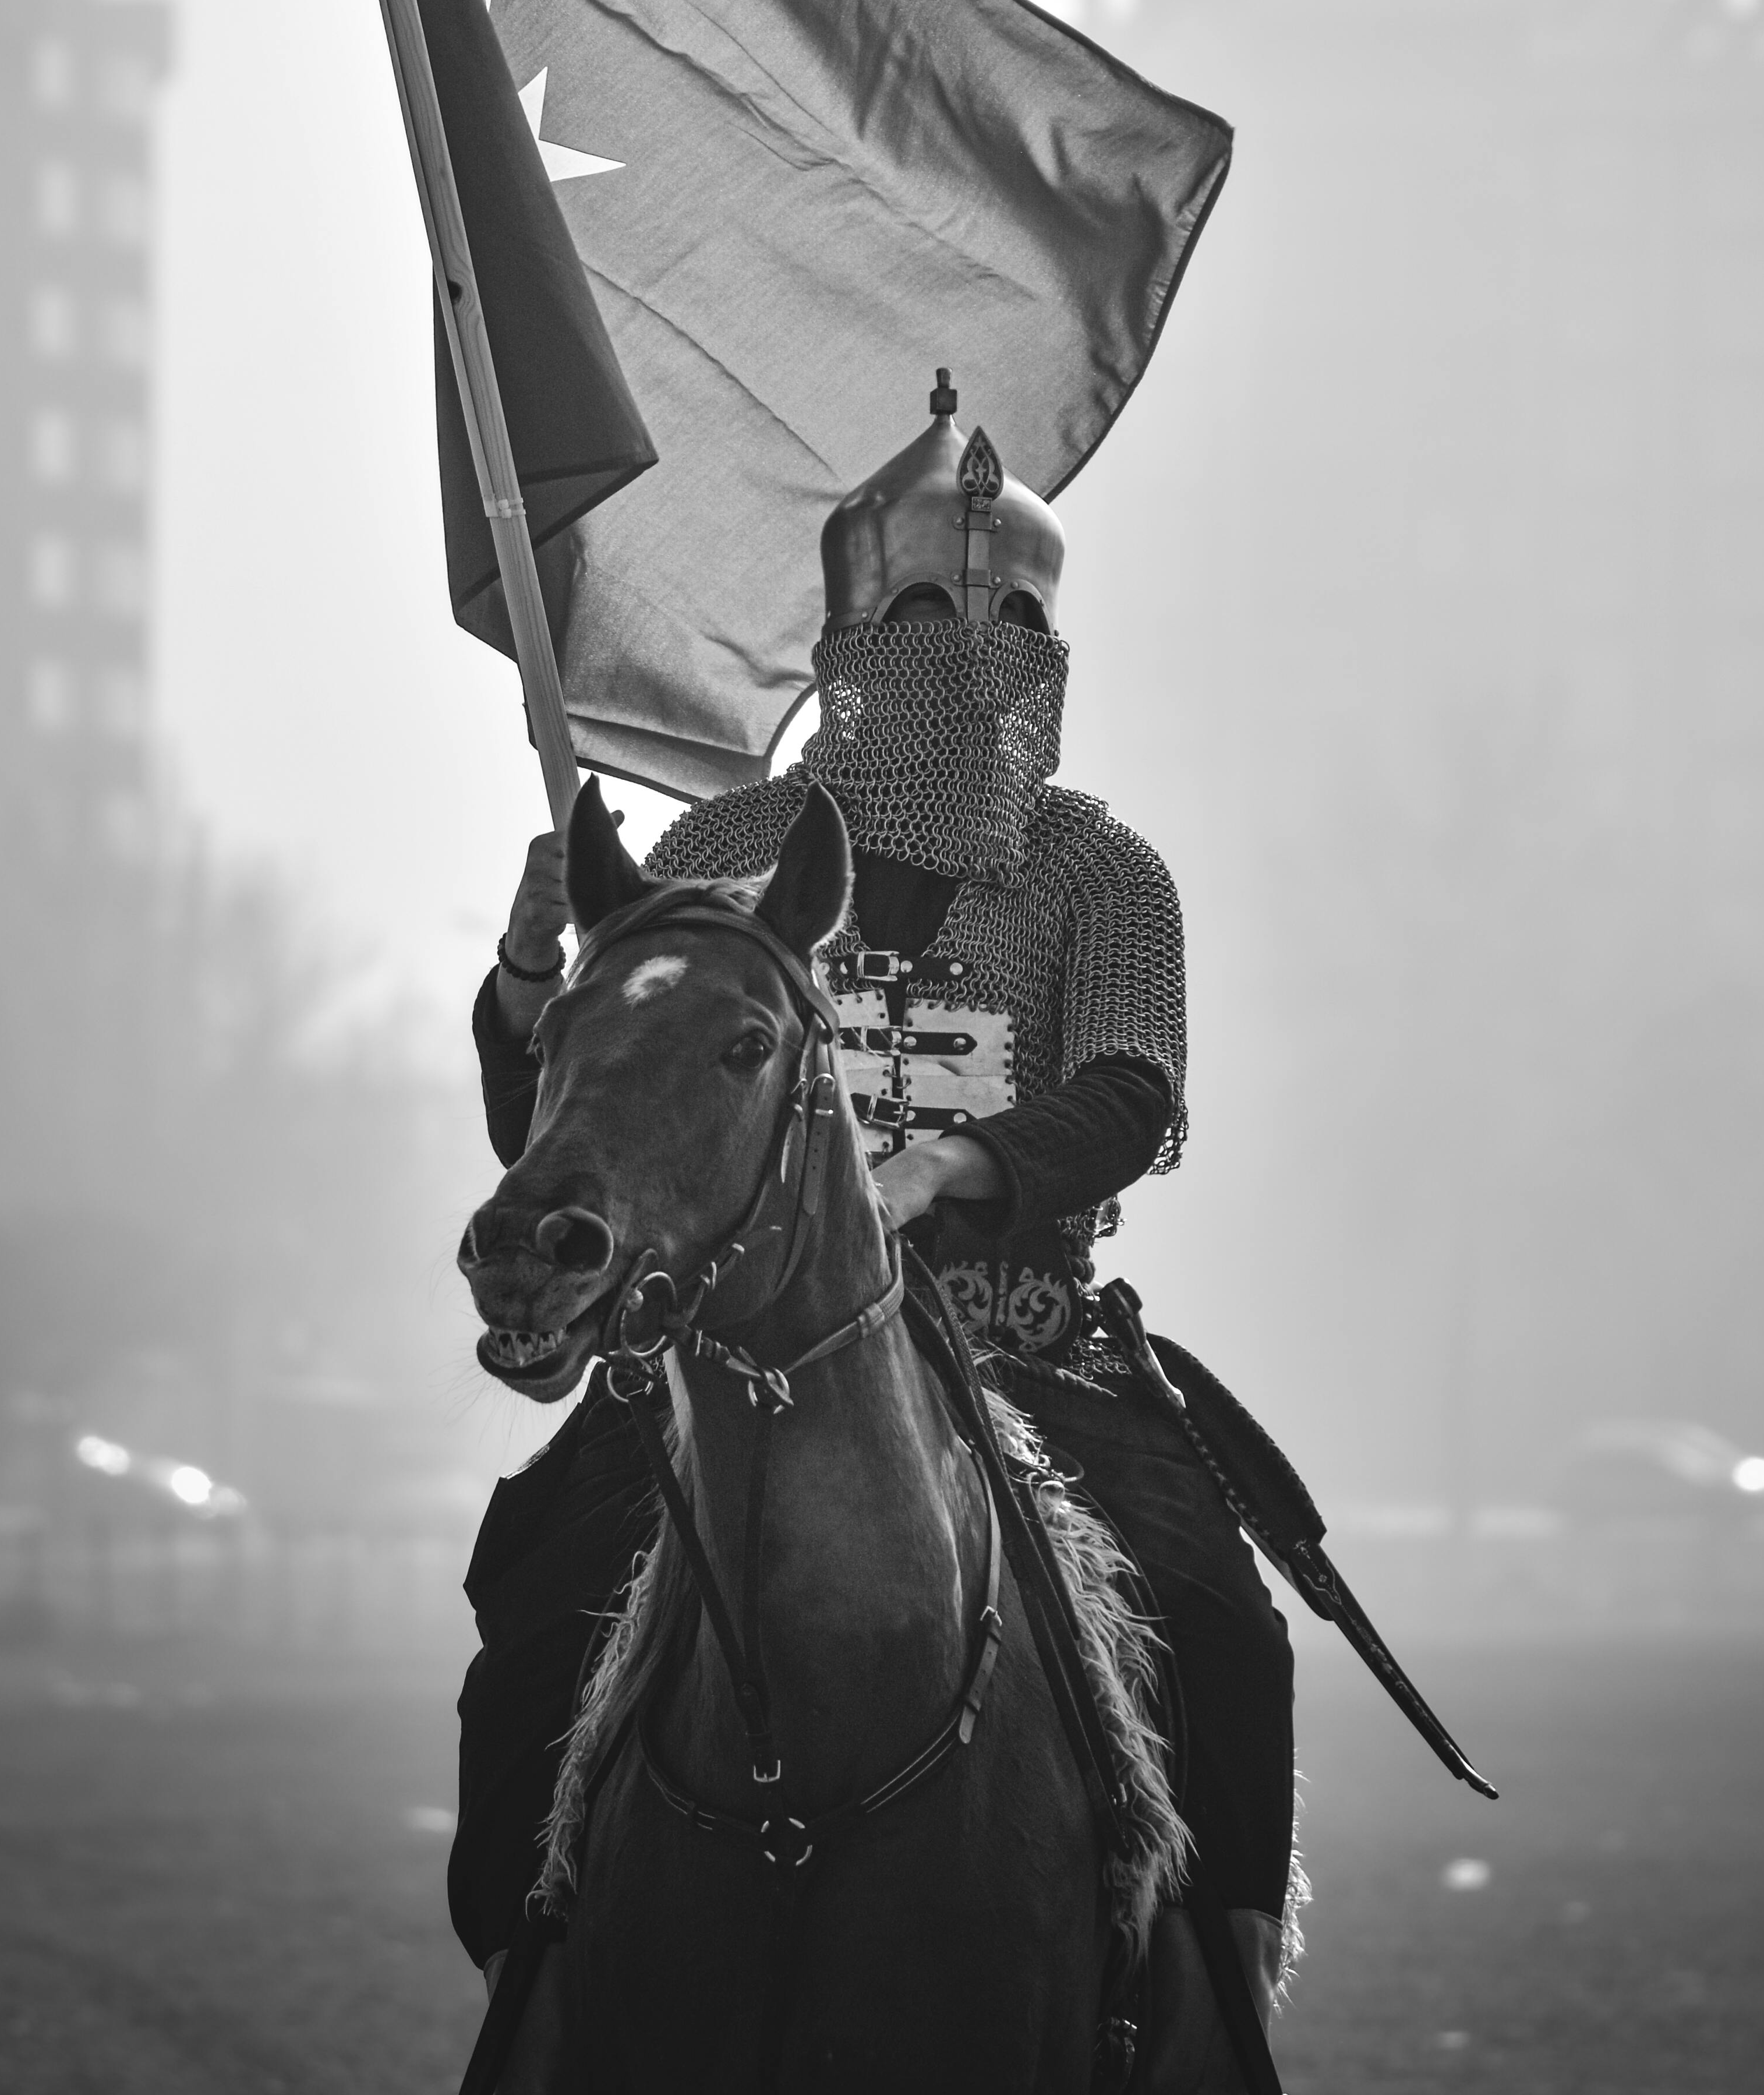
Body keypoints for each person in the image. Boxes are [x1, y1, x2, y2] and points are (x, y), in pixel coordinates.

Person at [451, 373, 1295, 2025]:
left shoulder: (1096, 870)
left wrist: (949, 1170)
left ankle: (1215, 2002)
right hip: (732, 1343)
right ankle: (533, 1973)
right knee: (543, 1583)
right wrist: (529, 969)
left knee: (1210, 1605)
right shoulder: (720, 850)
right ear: (847, 637)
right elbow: (576, 1126)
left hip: (1018, 1341)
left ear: (1042, 652)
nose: (959, 646)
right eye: (917, 613)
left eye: (999, 620)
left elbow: (1128, 1098)